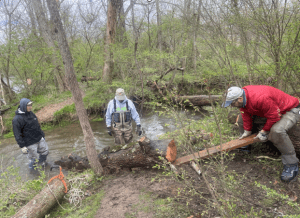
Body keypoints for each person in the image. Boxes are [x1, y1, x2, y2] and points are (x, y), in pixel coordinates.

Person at [222, 85, 300, 182]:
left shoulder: (260, 98)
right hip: (274, 109)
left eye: (232, 103)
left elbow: (275, 116)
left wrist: (264, 131)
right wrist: (247, 131)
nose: (231, 106)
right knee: (241, 120)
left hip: (290, 109)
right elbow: (245, 112)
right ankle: (246, 145)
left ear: (240, 98)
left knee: (277, 131)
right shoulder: (244, 97)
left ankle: (291, 164)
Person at [12, 98, 48, 169]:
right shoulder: (17, 119)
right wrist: (22, 146)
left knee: (45, 151)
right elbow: (17, 134)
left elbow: (37, 125)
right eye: (28, 106)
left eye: (31, 105)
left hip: (39, 138)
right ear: (23, 106)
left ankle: (43, 164)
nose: (30, 107)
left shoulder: (31, 113)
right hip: (29, 143)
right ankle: (33, 173)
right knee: (34, 159)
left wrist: (42, 135)